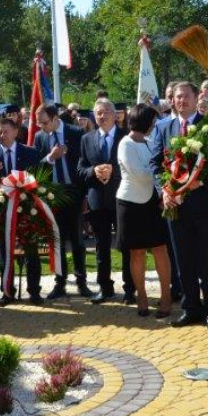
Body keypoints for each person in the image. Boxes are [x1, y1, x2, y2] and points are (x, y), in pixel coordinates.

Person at [150, 81, 208, 331]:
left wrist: (197, 182)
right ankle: (190, 308)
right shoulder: (163, 127)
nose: (180, 101)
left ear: (196, 98)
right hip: (175, 206)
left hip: (204, 205)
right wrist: (164, 191)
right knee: (183, 260)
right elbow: (154, 163)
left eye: (185, 96)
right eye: (176, 97)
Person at [116, 103, 172, 318]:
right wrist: (161, 169)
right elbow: (139, 174)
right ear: (147, 123)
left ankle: (166, 296)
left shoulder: (149, 143)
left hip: (152, 203)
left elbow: (152, 170)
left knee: (160, 250)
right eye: (153, 121)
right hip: (130, 204)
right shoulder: (125, 144)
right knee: (137, 252)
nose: (155, 125)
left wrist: (162, 173)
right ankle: (142, 296)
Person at [33, 102, 93, 299]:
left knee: (77, 240)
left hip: (74, 192)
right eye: (39, 123)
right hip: (53, 194)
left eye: (44, 122)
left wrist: (85, 196)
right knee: (56, 240)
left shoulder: (76, 133)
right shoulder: (40, 137)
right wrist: (50, 158)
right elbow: (36, 168)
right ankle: (60, 283)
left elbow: (85, 165)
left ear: (55, 119)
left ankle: (82, 282)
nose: (41, 126)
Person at [77, 98, 136, 304]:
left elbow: (134, 165)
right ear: (94, 116)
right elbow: (80, 169)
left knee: (126, 246)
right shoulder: (86, 139)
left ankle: (130, 289)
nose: (102, 116)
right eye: (98, 113)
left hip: (122, 199)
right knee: (101, 247)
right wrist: (93, 171)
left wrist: (113, 171)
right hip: (97, 201)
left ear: (115, 114)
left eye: (106, 112)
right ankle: (105, 288)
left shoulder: (126, 136)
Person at [0, 116, 42, 305]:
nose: (2, 135)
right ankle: (7, 292)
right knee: (4, 252)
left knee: (31, 251)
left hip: (26, 210)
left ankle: (34, 291)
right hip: (2, 211)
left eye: (6, 132)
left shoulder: (30, 153)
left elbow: (39, 180)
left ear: (16, 132)